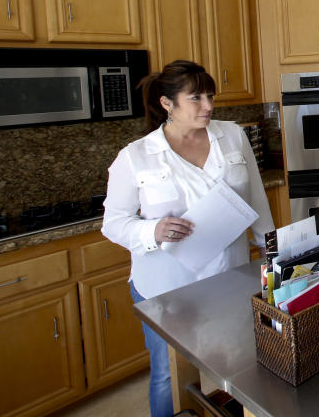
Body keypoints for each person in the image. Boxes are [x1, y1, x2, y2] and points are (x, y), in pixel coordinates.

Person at [101, 60, 274, 417]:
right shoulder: (136, 157)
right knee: (170, 375)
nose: (208, 106)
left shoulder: (232, 135)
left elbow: (256, 197)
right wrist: (152, 230)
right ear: (167, 104)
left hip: (230, 275)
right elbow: (113, 223)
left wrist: (273, 249)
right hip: (167, 286)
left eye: (210, 96)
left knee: (243, 364)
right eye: (195, 98)